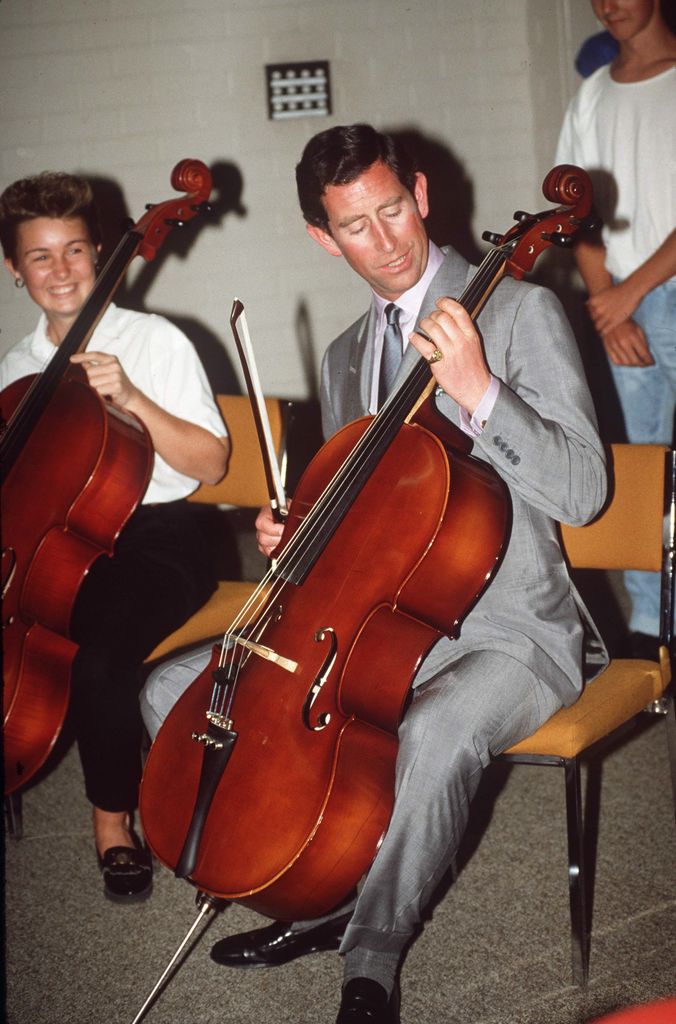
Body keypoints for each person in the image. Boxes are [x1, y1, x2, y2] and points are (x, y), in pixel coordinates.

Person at [141, 124, 607, 1023]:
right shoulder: (346, 354)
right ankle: (312, 891)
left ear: (422, 195)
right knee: (173, 691)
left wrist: (479, 389)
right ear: (325, 238)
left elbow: (584, 491)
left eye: (394, 209)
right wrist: (297, 527)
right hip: (378, 622)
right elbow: (365, 511)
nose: (386, 240)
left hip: (511, 631)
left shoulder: (518, 311)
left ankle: (372, 951)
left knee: (435, 734)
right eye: (357, 225)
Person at [0, 171, 229, 902]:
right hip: (55, 543)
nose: (60, 270)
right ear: (14, 269)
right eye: (40, 256)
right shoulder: (14, 370)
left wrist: (131, 398)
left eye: (74, 250)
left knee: (100, 659)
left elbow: (212, 463)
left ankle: (111, 821)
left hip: (162, 534)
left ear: (101, 252)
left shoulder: (153, 341)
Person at [555, 0, 676, 659]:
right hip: (626, 302)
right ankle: (655, 628)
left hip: (649, 289)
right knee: (642, 464)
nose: (608, 6)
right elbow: (576, 213)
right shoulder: (593, 95)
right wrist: (607, 302)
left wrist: (628, 292)